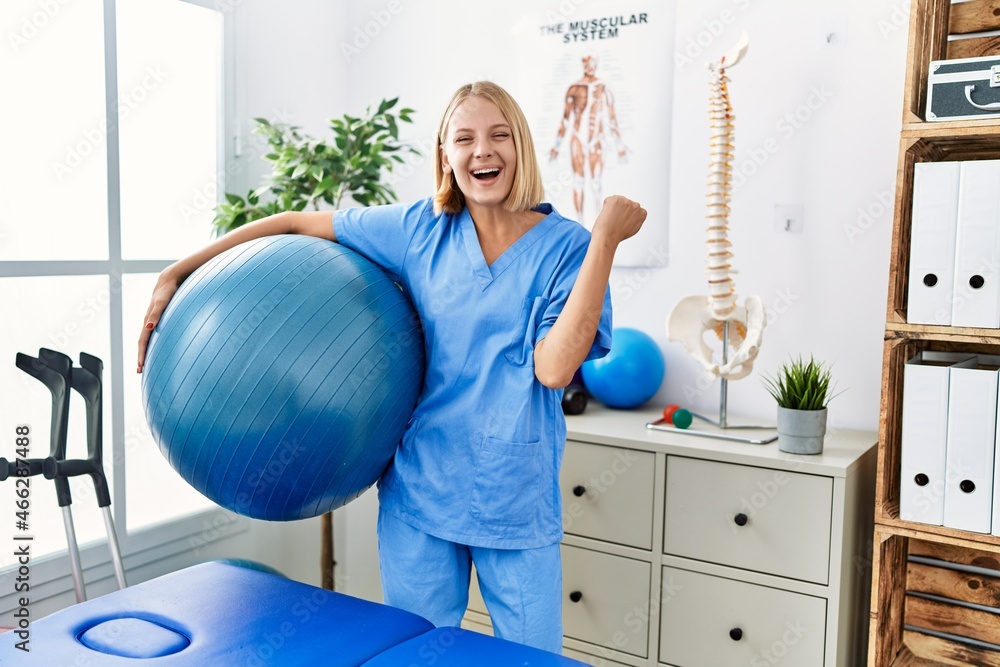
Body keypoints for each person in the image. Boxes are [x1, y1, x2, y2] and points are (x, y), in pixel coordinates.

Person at [137, 81, 645, 653]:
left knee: (529, 658)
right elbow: (296, 224)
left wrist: (604, 240)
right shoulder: (419, 229)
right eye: (465, 139)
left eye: (499, 135)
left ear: (520, 146)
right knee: (415, 653)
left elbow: (554, 369)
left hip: (514, 499)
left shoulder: (569, 248)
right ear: (446, 157)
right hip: (421, 492)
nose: (483, 151)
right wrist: (177, 271)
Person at [549, 54, 629, 226]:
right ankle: (580, 225)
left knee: (596, 183)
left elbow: (612, 117)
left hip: (597, 140)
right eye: (587, 62)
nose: (591, 66)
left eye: (594, 62)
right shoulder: (574, 88)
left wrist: (620, 145)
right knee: (578, 182)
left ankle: (600, 227)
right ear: (583, 64)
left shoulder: (604, 87)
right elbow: (565, 119)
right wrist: (556, 146)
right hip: (578, 139)